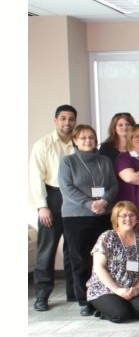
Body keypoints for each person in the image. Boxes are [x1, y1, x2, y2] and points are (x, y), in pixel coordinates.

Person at [58, 124, 118, 316]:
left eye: (91, 137)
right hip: (76, 217)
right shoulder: (68, 162)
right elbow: (67, 188)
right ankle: (85, 300)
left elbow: (113, 185)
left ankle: (103, 296)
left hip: (103, 215)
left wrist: (104, 201)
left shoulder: (105, 161)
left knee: (104, 258)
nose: (88, 141)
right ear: (75, 141)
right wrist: (89, 203)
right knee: (80, 259)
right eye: (83, 138)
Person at [30, 104, 78, 311]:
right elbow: (36, 177)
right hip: (53, 197)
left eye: (71, 119)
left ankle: (73, 292)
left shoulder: (79, 142)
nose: (67, 122)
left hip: (75, 199)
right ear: (55, 120)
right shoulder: (43, 144)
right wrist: (42, 206)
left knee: (73, 248)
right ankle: (42, 296)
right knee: (47, 249)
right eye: (63, 118)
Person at [86, 201, 139, 323]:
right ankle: (101, 308)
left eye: (131, 215)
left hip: (130, 289)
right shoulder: (107, 237)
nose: (128, 218)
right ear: (116, 219)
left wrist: (137, 288)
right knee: (121, 315)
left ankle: (120, 305)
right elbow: (99, 267)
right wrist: (117, 290)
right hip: (105, 288)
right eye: (123, 215)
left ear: (136, 218)